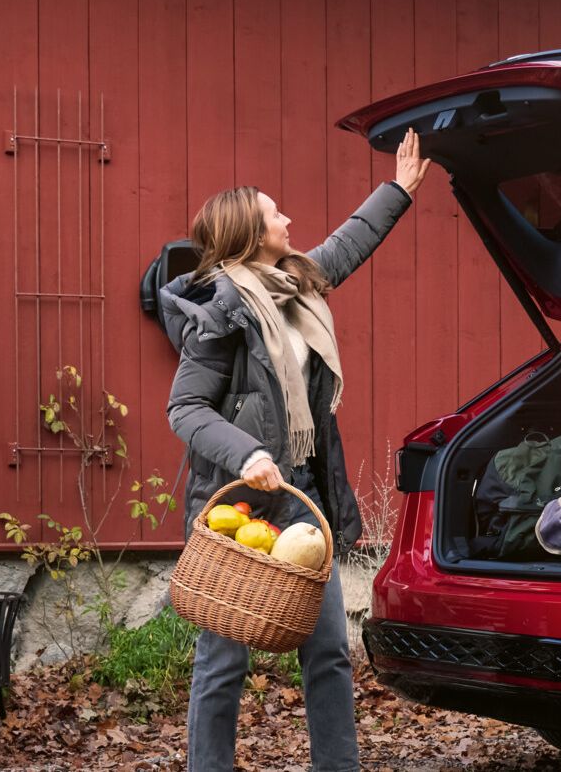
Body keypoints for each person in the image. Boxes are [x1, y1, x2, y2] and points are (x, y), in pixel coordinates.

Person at [159, 129, 430, 771]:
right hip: (242, 510)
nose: (288, 220)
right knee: (224, 661)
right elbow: (185, 408)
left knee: (330, 650)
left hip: (305, 499)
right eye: (275, 213)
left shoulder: (296, 286)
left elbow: (345, 246)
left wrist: (399, 190)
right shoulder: (220, 312)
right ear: (250, 236)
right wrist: (247, 452)